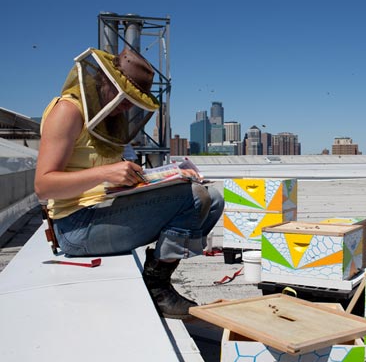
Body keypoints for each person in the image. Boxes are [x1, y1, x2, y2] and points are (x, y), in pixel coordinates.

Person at [35, 47, 224, 320]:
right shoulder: (68, 111)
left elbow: (108, 179)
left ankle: (158, 274)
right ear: (105, 82)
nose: (128, 107)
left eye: (134, 101)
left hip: (106, 209)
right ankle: (158, 289)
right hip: (75, 226)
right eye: (125, 98)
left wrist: (165, 179)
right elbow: (43, 186)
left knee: (212, 198)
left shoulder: (108, 118)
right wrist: (106, 174)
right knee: (193, 198)